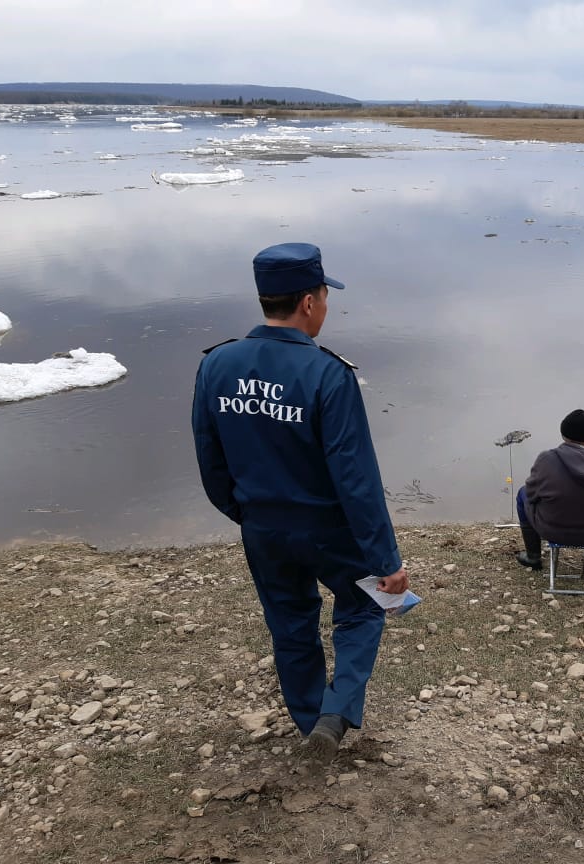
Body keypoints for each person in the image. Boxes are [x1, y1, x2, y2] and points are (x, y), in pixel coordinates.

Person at [191, 242, 408, 763]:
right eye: (324, 297)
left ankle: (311, 719)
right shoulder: (328, 374)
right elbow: (355, 478)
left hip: (263, 527)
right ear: (309, 303)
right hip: (328, 529)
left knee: (290, 625)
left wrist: (246, 513)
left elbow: (209, 458)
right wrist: (386, 562)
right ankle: (334, 715)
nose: (325, 307)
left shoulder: (217, 364)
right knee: (363, 607)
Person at [515, 409, 584, 570]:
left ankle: (533, 557)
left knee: (522, 493)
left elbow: (531, 493)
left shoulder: (546, 459)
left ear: (563, 432)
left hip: (549, 531)